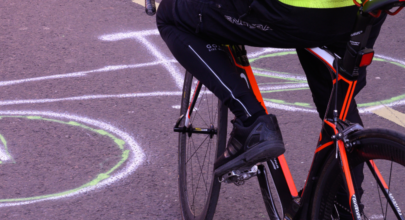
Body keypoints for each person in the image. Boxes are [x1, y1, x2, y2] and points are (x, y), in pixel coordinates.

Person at [156, 0, 386, 177]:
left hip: (295, 10)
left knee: (172, 15)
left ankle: (252, 120)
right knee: (337, 105)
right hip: (366, 10)